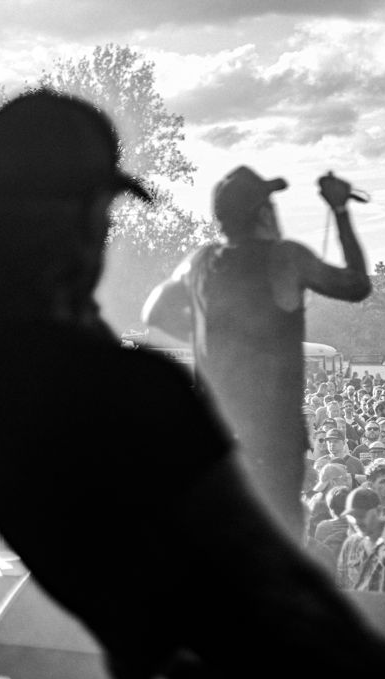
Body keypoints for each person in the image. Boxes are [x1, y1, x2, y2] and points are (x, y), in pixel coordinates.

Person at [0, 91, 385, 679]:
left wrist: (214, 336)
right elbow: (266, 563)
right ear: (86, 218)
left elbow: (147, 314)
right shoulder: (138, 388)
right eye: (105, 215)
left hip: (145, 677)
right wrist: (384, 661)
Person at [142, 165, 371, 537]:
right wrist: (340, 211)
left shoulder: (199, 263)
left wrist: (212, 335)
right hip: (272, 437)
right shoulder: (285, 257)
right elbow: (357, 285)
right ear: (263, 213)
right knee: (278, 543)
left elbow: (154, 310)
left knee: (219, 541)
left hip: (213, 434)